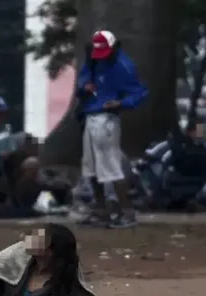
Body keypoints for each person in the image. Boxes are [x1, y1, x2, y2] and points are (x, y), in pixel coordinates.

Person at [76, 30, 149, 228]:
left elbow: (139, 92)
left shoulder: (124, 66)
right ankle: (101, 210)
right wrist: (85, 85)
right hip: (90, 116)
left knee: (111, 167)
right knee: (90, 168)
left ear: (115, 46)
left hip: (107, 118)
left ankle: (127, 213)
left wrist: (121, 103)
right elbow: (83, 77)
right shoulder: (94, 59)